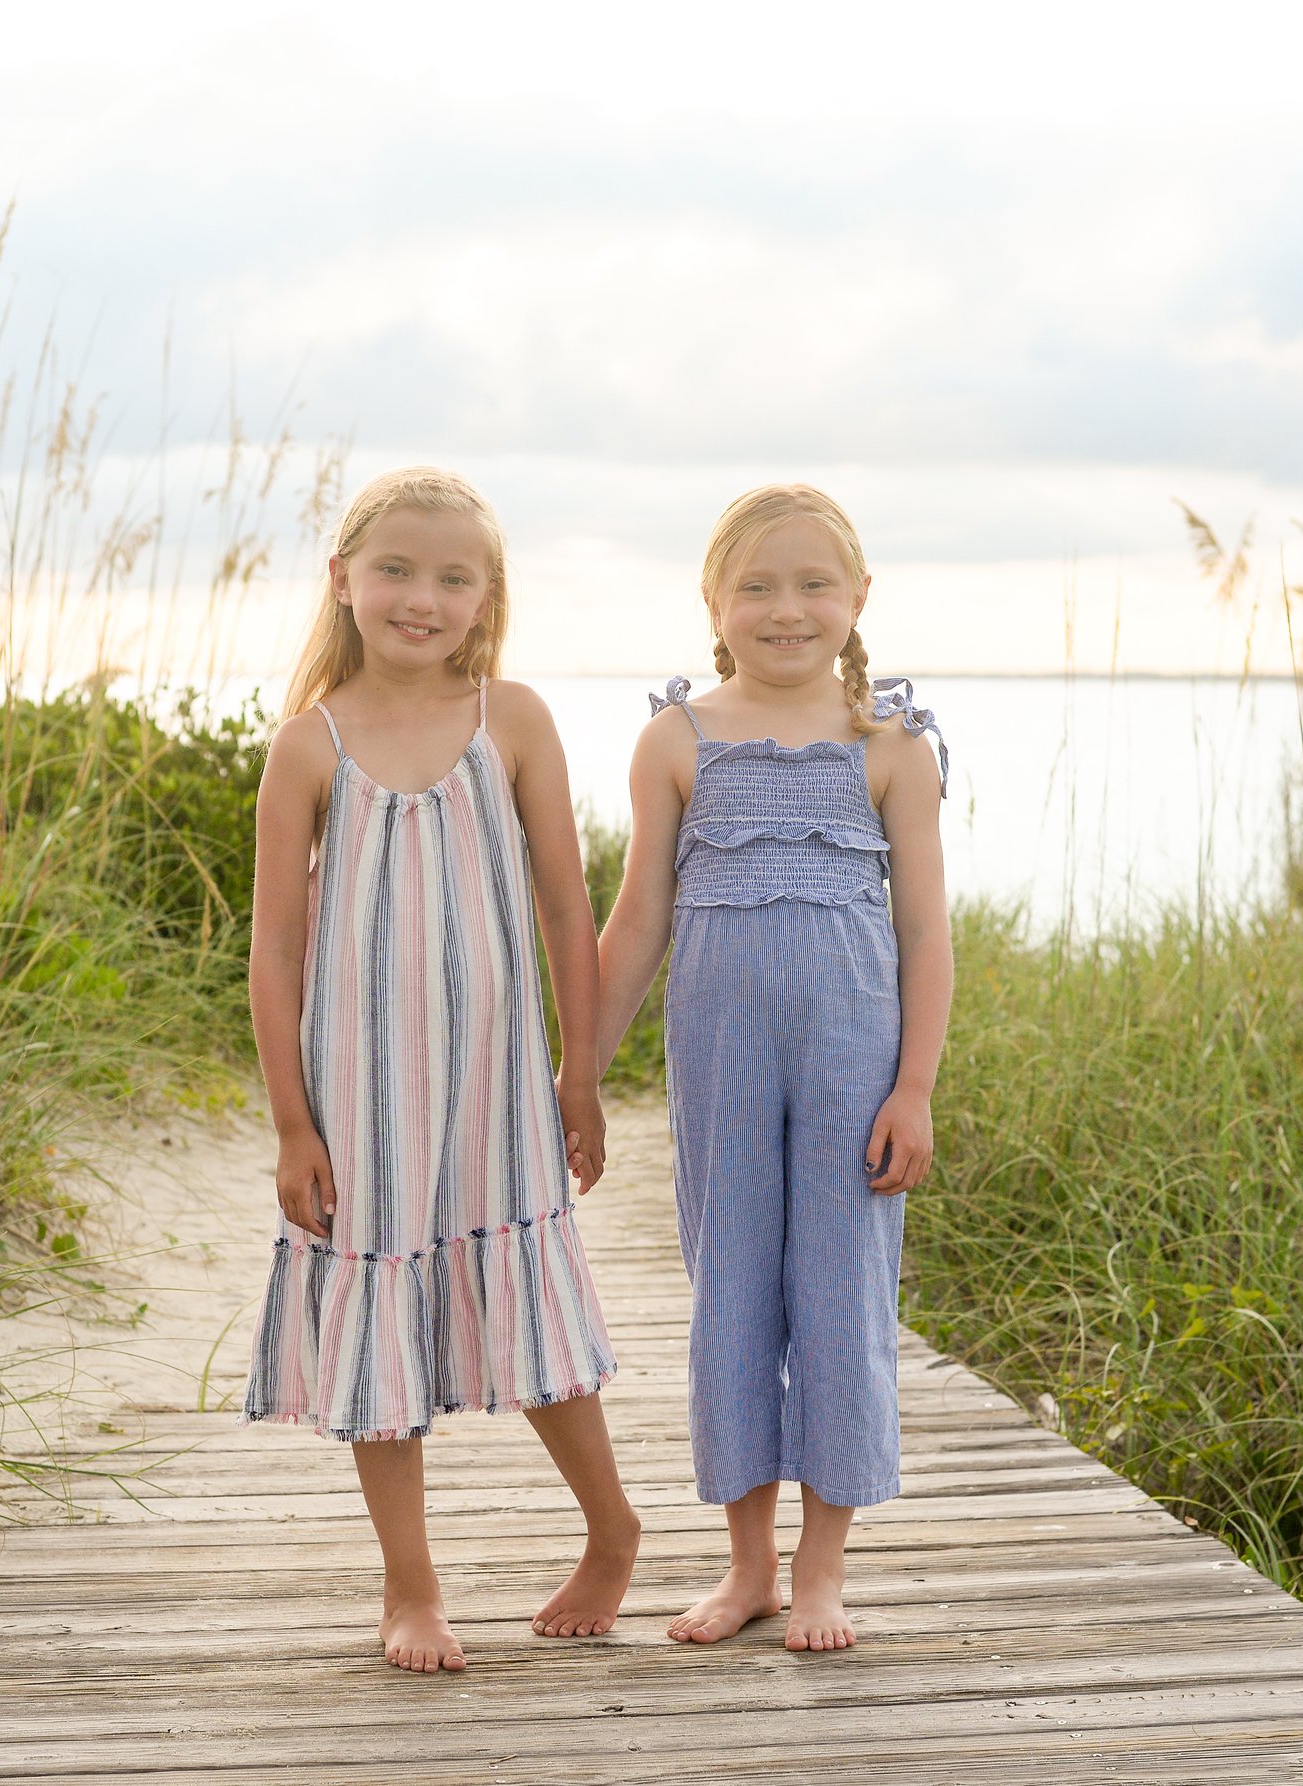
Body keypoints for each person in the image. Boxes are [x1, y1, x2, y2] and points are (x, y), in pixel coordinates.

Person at [243, 467, 638, 1673]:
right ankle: (409, 1585)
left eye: (452, 577)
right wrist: (291, 1126)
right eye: (397, 570)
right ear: (345, 580)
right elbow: (273, 949)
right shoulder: (306, 746)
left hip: (498, 1089)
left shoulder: (509, 720)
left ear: (485, 595)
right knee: (380, 1325)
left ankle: (612, 1528)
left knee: (532, 1304)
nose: (422, 596)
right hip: (360, 1096)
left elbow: (567, 908)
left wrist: (580, 1074)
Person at [595, 482, 953, 1652]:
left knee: (842, 1296)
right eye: (756, 585)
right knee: (732, 1290)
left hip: (857, 1062)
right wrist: (577, 1074)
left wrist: (914, 1087)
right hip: (721, 1061)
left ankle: (821, 1572)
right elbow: (637, 920)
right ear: (713, 599)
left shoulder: (892, 747)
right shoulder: (676, 739)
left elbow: (924, 935)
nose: (785, 608)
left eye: (812, 585)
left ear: (857, 600)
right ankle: (746, 1566)